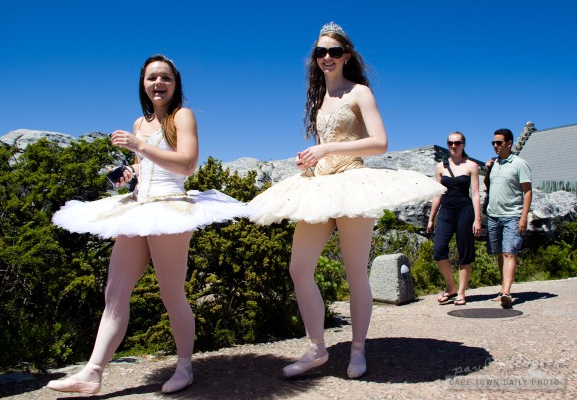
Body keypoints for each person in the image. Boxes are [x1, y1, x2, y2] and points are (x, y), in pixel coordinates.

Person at [247, 22, 445, 379]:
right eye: (320, 52)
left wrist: (327, 147)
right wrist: (311, 158)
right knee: (299, 268)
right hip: (320, 185)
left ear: (346, 56)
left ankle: (357, 350)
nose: (326, 57)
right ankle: (317, 348)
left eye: (334, 52)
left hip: (353, 182)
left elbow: (380, 142)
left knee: (356, 272)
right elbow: (326, 144)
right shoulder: (319, 98)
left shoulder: (360, 93)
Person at [47, 54, 248, 394]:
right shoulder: (140, 123)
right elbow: (148, 168)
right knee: (115, 292)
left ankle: (184, 367)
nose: (159, 83)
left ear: (175, 83)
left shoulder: (182, 116)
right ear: (143, 83)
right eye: (152, 77)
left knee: (171, 294)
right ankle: (93, 372)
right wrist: (131, 172)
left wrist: (139, 147)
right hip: (140, 207)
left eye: (165, 78)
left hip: (170, 209)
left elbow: (186, 165)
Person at [427, 132, 481, 306]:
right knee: (439, 250)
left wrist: (477, 219)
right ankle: (451, 287)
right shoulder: (440, 167)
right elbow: (438, 193)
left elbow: (476, 194)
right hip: (446, 211)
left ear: (464, 144)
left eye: (457, 142)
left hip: (465, 211)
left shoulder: (471, 166)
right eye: (450, 142)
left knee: (464, 252)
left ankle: (462, 292)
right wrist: (431, 218)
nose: (453, 146)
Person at [484, 128, 532, 308]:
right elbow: (487, 185)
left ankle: (506, 292)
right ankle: (503, 289)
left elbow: (527, 191)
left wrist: (523, 217)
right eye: (493, 143)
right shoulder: (494, 163)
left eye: (499, 143)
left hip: (513, 215)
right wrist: (488, 170)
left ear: (509, 143)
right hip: (494, 215)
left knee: (509, 252)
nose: (495, 146)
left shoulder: (520, 164)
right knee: (499, 253)